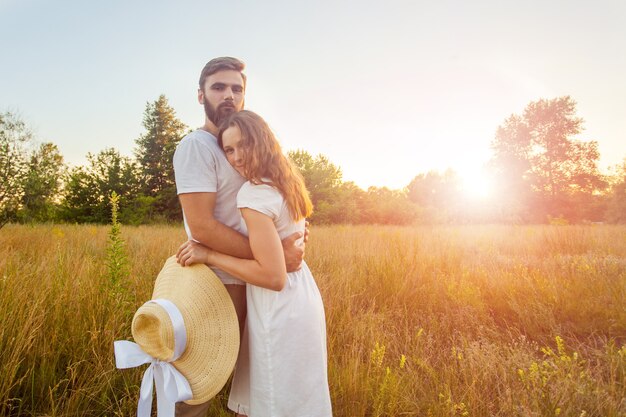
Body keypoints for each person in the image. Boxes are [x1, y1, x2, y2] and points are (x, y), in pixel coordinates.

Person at [173, 57, 305, 417]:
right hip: (219, 282)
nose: (228, 94)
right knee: (197, 383)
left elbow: (278, 201)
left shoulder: (243, 143)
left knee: (252, 387)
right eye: (218, 87)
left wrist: (290, 239)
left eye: (237, 88)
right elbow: (201, 226)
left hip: (253, 282)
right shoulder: (197, 147)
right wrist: (273, 257)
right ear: (201, 96)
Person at [177, 110, 332, 417]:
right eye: (229, 150)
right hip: (302, 296)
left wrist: (209, 255)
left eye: (242, 145)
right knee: (296, 396)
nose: (235, 157)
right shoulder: (287, 181)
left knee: (272, 401)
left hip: (277, 304)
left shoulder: (253, 195)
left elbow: (272, 276)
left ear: (261, 141)